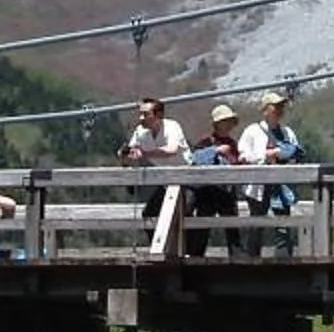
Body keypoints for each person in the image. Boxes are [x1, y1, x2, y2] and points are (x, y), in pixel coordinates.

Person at [237, 89, 305, 255]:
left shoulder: (288, 132)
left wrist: (282, 153)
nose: (279, 110)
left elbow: (298, 152)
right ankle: (252, 262)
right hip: (258, 186)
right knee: (257, 225)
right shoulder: (252, 131)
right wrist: (265, 155)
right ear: (265, 110)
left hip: (281, 187)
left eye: (281, 107)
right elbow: (242, 155)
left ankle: (283, 262)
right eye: (275, 106)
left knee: (283, 226)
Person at [184, 101, 245, 255]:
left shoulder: (233, 143)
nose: (229, 125)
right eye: (225, 121)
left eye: (230, 121)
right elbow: (195, 159)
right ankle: (195, 257)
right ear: (218, 124)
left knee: (232, 225)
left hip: (226, 191)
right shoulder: (206, 141)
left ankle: (236, 256)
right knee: (202, 227)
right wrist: (216, 151)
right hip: (207, 191)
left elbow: (235, 163)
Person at [121, 94, 189, 225]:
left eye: (146, 114)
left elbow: (171, 150)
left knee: (185, 216)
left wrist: (145, 153)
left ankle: (188, 246)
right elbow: (132, 153)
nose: (141, 118)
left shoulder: (172, 126)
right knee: (149, 215)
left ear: (159, 115)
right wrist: (126, 155)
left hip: (186, 178)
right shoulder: (140, 132)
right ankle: (157, 244)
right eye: (140, 114)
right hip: (165, 180)